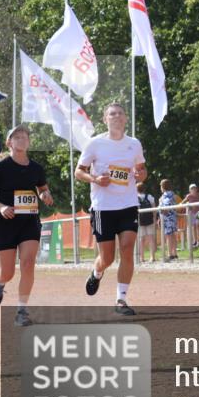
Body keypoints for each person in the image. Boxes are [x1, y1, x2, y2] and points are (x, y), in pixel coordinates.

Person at [76, 103, 147, 315]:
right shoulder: (95, 143)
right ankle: (97, 273)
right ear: (105, 119)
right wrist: (95, 179)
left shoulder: (134, 144)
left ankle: (121, 300)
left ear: (125, 119)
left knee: (127, 249)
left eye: (120, 113)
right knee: (107, 258)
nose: (116, 116)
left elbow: (142, 170)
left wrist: (142, 175)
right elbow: (79, 172)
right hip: (102, 207)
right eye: (112, 114)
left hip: (127, 204)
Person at [0, 126, 53, 326]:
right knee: (8, 272)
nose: (22, 140)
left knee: (28, 263)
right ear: (9, 143)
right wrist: (1, 206)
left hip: (29, 221)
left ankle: (21, 311)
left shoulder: (36, 168)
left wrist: (45, 195)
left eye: (25, 137)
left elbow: (42, 188)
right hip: (6, 222)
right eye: (17, 137)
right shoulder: (1, 167)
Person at [158, 179, 180, 261]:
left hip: (167, 218)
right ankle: (174, 254)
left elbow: (166, 207)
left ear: (163, 186)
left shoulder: (165, 196)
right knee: (173, 235)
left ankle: (170, 254)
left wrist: (160, 210)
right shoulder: (172, 194)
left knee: (168, 236)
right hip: (173, 218)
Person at [136, 182, 157, 262]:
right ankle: (152, 257)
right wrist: (154, 218)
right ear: (144, 189)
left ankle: (142, 257)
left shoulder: (134, 198)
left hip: (140, 221)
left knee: (141, 239)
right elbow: (154, 208)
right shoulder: (149, 197)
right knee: (151, 238)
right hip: (149, 220)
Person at [183, 183, 199, 248]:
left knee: (198, 226)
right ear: (190, 190)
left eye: (194, 188)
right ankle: (195, 241)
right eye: (192, 188)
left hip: (198, 212)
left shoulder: (198, 195)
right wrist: (181, 205)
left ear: (196, 189)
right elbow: (184, 201)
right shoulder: (189, 196)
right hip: (192, 213)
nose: (193, 189)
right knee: (193, 226)